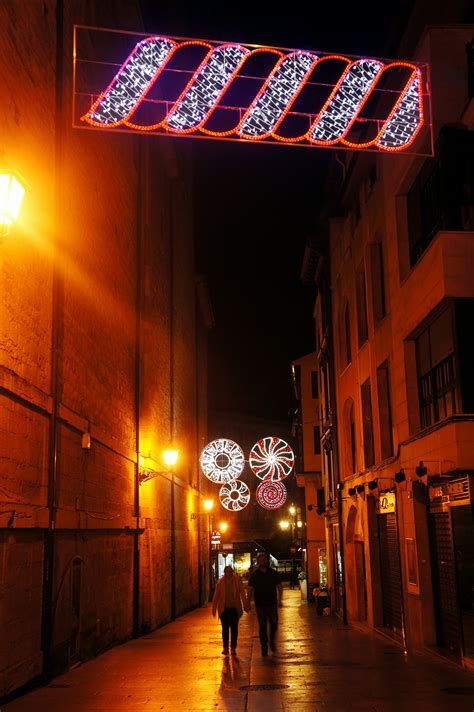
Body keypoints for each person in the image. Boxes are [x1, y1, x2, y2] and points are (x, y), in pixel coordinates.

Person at [247, 552, 283, 656]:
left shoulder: (273, 573)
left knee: (274, 623)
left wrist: (280, 599)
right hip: (260, 604)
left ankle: (271, 640)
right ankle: (264, 646)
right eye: (261, 559)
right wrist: (247, 602)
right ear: (258, 561)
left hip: (272, 603)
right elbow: (250, 589)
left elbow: (279, 586)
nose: (263, 561)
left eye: (265, 559)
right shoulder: (255, 574)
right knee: (262, 626)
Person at [212, 565, 249, 655]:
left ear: (232, 572)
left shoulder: (237, 581)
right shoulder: (220, 583)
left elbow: (242, 594)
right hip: (224, 610)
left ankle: (233, 648)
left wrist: (245, 605)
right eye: (227, 571)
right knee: (225, 629)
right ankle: (225, 647)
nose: (229, 573)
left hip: (234, 609)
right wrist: (214, 608)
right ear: (225, 572)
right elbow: (216, 596)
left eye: (230, 571)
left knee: (234, 629)